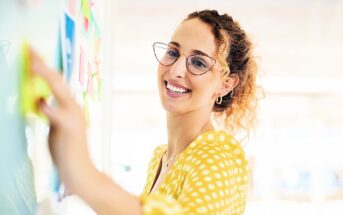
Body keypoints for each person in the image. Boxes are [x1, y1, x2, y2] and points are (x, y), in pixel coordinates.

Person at [31, 9, 261, 215]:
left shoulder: (220, 153)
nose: (177, 69)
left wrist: (85, 175)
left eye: (198, 63)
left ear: (226, 84)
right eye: (173, 52)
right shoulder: (160, 158)